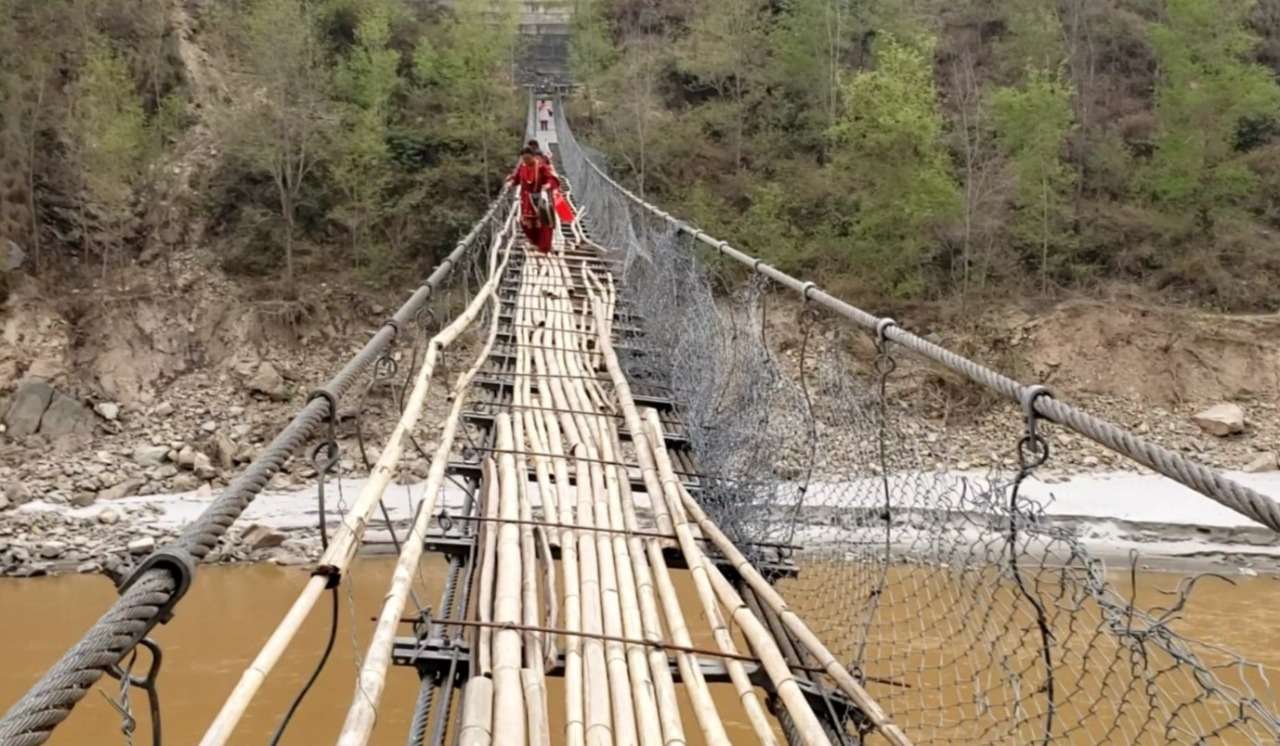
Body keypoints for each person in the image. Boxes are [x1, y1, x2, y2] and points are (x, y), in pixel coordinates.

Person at [507, 146, 560, 253]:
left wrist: (548, 185)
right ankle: (534, 242)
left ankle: (544, 247)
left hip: (540, 199)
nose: (526, 161)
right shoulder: (522, 167)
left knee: (543, 223)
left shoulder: (541, 167)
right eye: (524, 159)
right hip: (526, 200)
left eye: (528, 159)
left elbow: (551, 178)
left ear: (533, 157)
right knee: (527, 223)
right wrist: (511, 183)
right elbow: (517, 179)